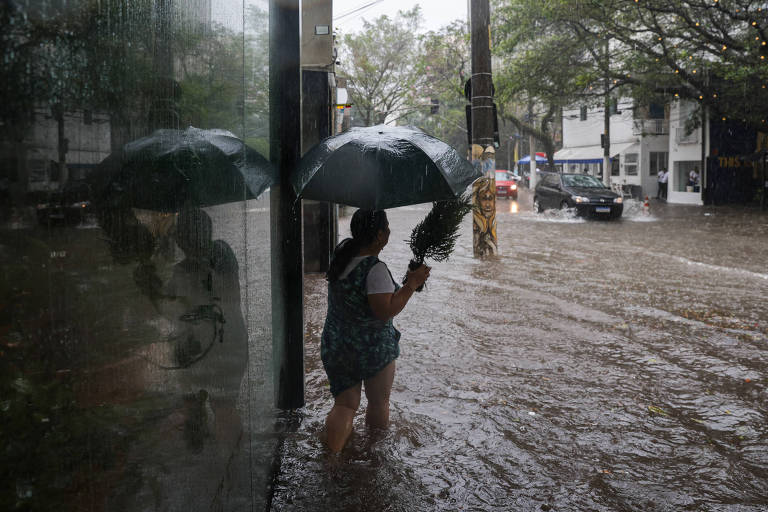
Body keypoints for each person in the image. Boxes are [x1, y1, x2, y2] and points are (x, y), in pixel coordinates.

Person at [321, 209, 430, 453]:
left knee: (345, 405)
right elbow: (385, 310)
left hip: (337, 345)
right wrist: (411, 284)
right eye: (387, 228)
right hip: (370, 350)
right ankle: (374, 455)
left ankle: (332, 460)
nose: (390, 232)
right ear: (379, 235)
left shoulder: (341, 254)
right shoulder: (375, 270)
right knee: (379, 403)